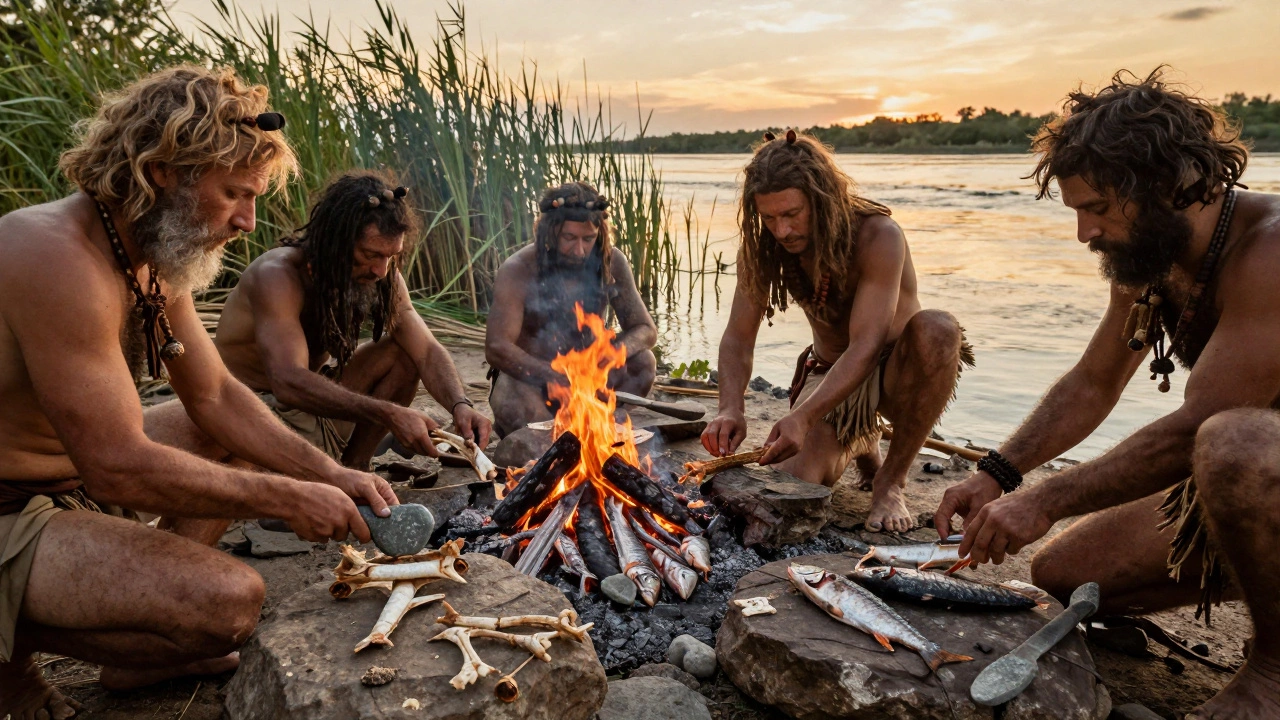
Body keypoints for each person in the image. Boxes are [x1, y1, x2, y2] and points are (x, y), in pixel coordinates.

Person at [0, 66, 397, 719]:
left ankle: (130, 651)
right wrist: (287, 494)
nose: (248, 221)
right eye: (235, 194)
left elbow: (215, 396)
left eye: (257, 196)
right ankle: (7, 660)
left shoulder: (150, 252)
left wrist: (331, 474)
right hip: (11, 504)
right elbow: (118, 465)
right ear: (163, 172)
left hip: (64, 477)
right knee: (229, 601)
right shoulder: (52, 255)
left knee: (240, 439)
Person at [933, 69, 1280, 719]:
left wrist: (1046, 501)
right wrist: (998, 475)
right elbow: (1094, 383)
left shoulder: (1271, 249)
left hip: (1258, 464)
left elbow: (1198, 426)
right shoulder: (1149, 257)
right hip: (1258, 492)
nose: (1084, 233)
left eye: (1096, 209)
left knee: (1232, 440)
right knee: (1064, 575)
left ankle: (1273, 674)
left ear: (1164, 186)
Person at [703, 129, 972, 533]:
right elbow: (738, 338)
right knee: (792, 487)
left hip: (898, 373)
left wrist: (803, 417)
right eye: (770, 217)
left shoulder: (878, 235)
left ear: (822, 199)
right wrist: (730, 408)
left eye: (792, 214)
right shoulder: (764, 248)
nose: (782, 230)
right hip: (833, 374)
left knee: (938, 328)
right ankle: (861, 438)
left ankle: (890, 480)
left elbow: (867, 345)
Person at [215, 171, 492, 469]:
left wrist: (460, 405)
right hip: (251, 409)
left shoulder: (382, 277)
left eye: (391, 256)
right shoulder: (277, 275)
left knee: (402, 353)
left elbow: (424, 350)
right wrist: (388, 413)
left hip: (313, 401)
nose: (381, 270)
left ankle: (355, 467)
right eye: (370, 254)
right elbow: (288, 381)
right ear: (335, 242)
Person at [485, 182, 658, 437]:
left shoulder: (612, 261)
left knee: (643, 362)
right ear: (549, 233)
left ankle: (598, 425)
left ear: (599, 233)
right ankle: (537, 431)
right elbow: (497, 348)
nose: (579, 251)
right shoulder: (518, 270)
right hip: (531, 382)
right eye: (569, 238)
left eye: (588, 239)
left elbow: (645, 330)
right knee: (529, 420)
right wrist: (555, 375)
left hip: (589, 382)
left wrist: (610, 355)